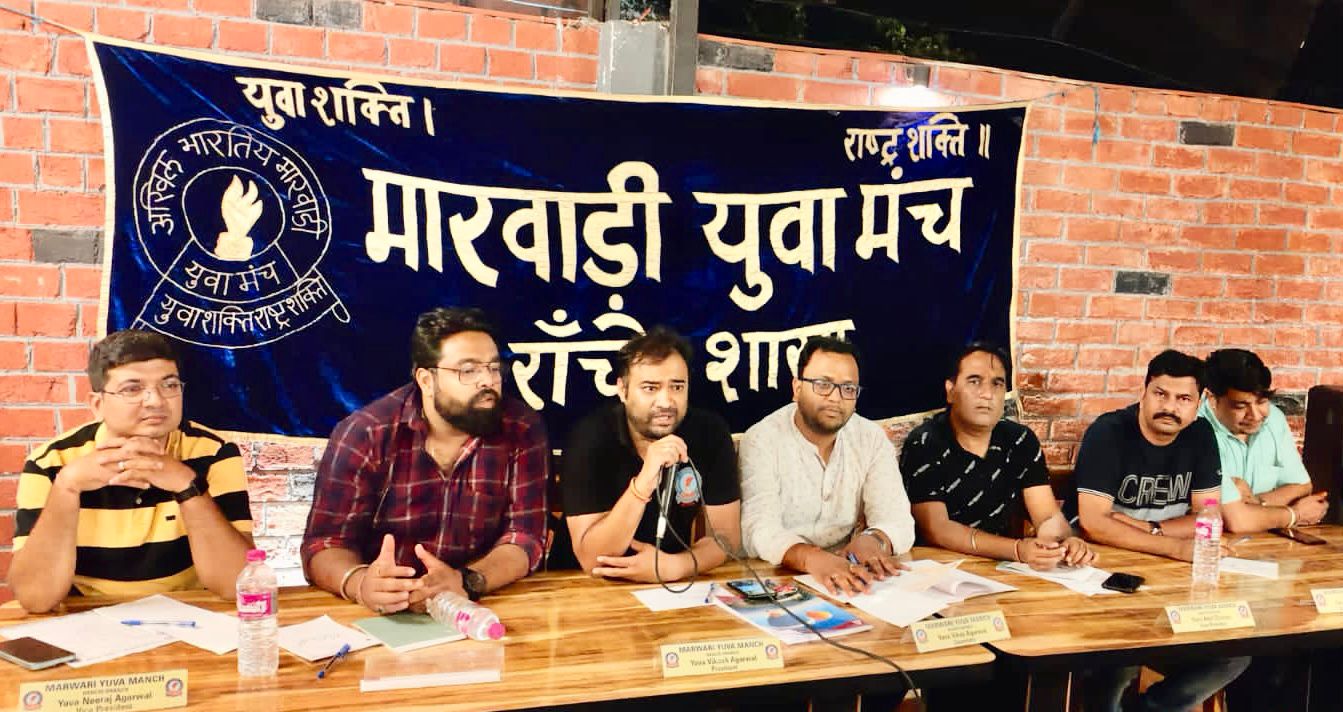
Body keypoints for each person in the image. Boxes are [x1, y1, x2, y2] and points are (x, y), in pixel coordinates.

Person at [302, 307, 548, 615]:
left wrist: (467, 581)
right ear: (426, 380)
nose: (488, 381)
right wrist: (360, 583)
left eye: (494, 368)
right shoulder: (367, 433)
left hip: (478, 604)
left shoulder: (521, 428)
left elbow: (526, 537)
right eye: (468, 370)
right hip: (381, 612)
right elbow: (324, 543)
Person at [9, 330, 253, 612]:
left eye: (169, 385)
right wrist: (66, 488)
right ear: (98, 405)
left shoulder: (213, 453)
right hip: (86, 616)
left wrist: (187, 486)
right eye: (132, 389)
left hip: (190, 612)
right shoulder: (50, 463)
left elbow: (237, 585)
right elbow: (36, 598)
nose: (156, 401)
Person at [1075, 349, 1249, 712]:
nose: (1169, 407)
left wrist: (1151, 529)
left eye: (1183, 398)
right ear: (1144, 392)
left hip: (1171, 581)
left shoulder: (1200, 435)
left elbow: (1209, 517)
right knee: (1118, 656)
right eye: (1160, 394)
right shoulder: (1109, 432)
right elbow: (1093, 523)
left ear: (1199, 403)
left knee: (1233, 654)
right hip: (1106, 579)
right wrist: (1175, 545)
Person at [562, 327, 740, 582]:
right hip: (579, 584)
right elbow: (593, 560)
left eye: (677, 387)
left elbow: (727, 538)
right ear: (622, 390)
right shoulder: (590, 437)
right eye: (650, 388)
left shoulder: (709, 432)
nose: (666, 401)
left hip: (669, 580)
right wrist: (644, 482)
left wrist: (678, 566)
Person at [739, 336, 914, 596]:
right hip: (775, 577)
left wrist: (875, 539)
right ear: (797, 388)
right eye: (823, 385)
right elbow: (758, 529)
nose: (835, 398)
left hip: (849, 574)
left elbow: (898, 520)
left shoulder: (870, 438)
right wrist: (812, 559)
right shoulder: (762, 439)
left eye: (848, 388)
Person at [902, 342, 1093, 570]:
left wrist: (1063, 544)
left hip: (1005, 569)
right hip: (939, 570)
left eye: (997, 384)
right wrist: (1016, 550)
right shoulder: (925, 442)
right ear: (951, 390)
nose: (987, 394)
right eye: (974, 381)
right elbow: (936, 529)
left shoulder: (1020, 440)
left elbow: (1047, 516)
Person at [1200, 348, 1326, 533]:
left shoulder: (1274, 418)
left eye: (1261, 402)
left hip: (1265, 541)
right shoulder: (1196, 429)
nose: (1256, 415)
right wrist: (1295, 514)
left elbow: (1301, 486)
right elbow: (1234, 520)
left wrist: (1258, 503)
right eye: (1241, 406)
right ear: (1212, 398)